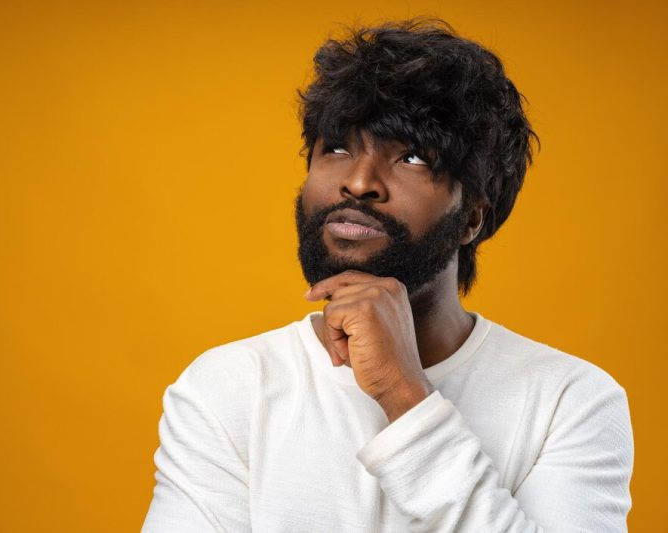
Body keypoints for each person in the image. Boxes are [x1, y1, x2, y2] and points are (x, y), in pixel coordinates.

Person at [143, 18, 634, 532]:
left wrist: (404, 394)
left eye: (412, 157)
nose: (357, 182)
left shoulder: (569, 401)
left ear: (473, 218)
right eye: (336, 147)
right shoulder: (226, 387)